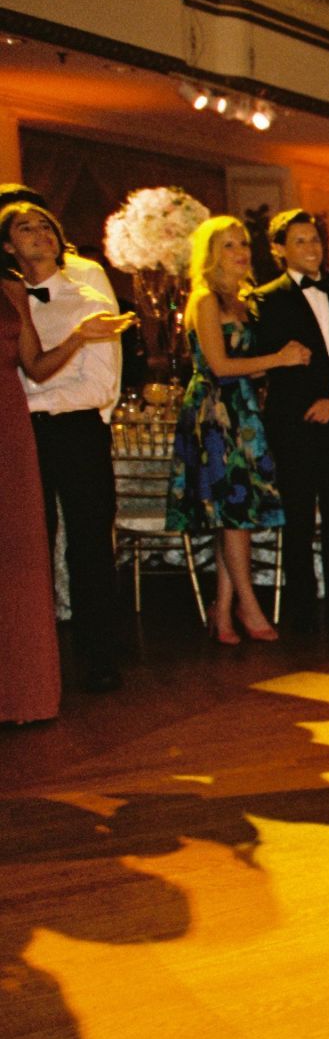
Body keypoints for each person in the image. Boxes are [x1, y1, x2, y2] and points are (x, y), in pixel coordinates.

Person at [6, 201, 133, 692]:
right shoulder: (7, 301)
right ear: (8, 245)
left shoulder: (87, 300)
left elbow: (98, 387)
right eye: (26, 228)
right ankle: (35, 663)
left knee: (89, 546)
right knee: (29, 547)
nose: (40, 234)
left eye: (46, 227)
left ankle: (100, 658)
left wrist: (34, 398)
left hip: (76, 431)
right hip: (21, 436)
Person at [166, 216, 305, 644]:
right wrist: (279, 360)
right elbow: (220, 366)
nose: (240, 252)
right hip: (216, 413)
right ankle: (249, 604)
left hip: (243, 411)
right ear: (210, 254)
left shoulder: (245, 299)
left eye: (242, 243)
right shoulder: (205, 299)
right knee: (234, 514)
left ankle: (223, 611)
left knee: (237, 516)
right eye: (228, 245)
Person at [253, 210, 329, 631]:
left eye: (315, 240)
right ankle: (302, 608)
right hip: (295, 421)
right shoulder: (266, 297)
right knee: (299, 518)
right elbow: (285, 361)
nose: (311, 248)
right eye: (300, 241)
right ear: (279, 249)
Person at [0, 278, 62, 722]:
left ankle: (23, 695)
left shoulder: (11, 289)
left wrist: (80, 337)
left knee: (19, 554)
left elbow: (36, 367)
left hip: (9, 422)